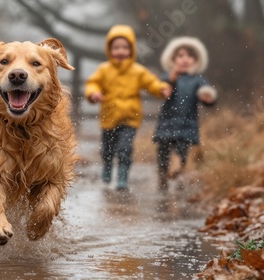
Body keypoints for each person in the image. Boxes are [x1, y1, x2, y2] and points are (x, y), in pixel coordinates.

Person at [85, 25, 172, 191]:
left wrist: (161, 88)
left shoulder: (137, 71)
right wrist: (94, 93)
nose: (120, 51)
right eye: (116, 47)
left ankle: (122, 177)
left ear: (131, 50)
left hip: (130, 118)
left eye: (125, 47)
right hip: (109, 117)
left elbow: (151, 82)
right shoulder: (104, 70)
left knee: (125, 148)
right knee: (107, 149)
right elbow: (92, 83)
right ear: (109, 50)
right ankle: (108, 165)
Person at [153, 37, 217, 190]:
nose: (185, 60)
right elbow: (161, 88)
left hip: (187, 123)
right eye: (180, 56)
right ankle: (162, 176)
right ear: (173, 59)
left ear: (196, 60)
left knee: (182, 149)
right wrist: (170, 82)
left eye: (189, 56)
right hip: (167, 121)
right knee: (163, 150)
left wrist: (207, 97)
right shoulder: (168, 76)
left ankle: (177, 166)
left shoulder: (198, 80)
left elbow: (207, 92)